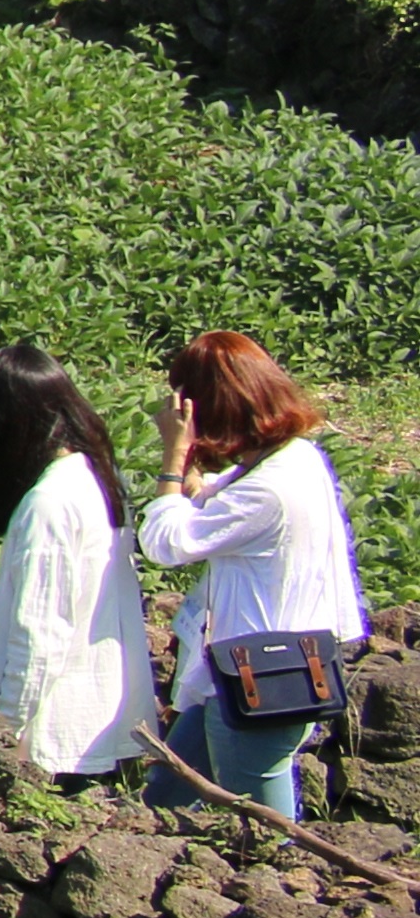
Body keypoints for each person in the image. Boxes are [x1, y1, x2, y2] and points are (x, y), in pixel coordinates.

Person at [139, 329, 368, 819]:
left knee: (260, 827)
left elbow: (167, 543)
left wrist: (175, 457)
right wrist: (196, 466)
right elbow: (214, 503)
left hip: (260, 678)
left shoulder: (268, 490)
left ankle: (277, 893)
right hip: (239, 670)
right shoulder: (293, 458)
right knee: (166, 792)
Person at [0, 342, 160, 785]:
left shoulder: (48, 503)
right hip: (98, 720)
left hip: (49, 738)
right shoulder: (99, 477)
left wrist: (6, 731)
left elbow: (40, 633)